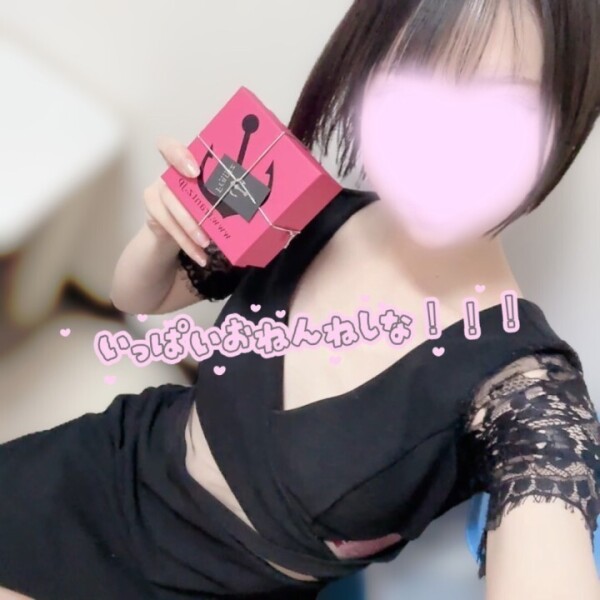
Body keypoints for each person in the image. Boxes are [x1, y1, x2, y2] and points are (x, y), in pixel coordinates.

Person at [1, 1, 600, 598]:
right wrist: (162, 233)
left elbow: (549, 532)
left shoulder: (527, 391)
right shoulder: (303, 208)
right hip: (106, 470)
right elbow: (137, 297)